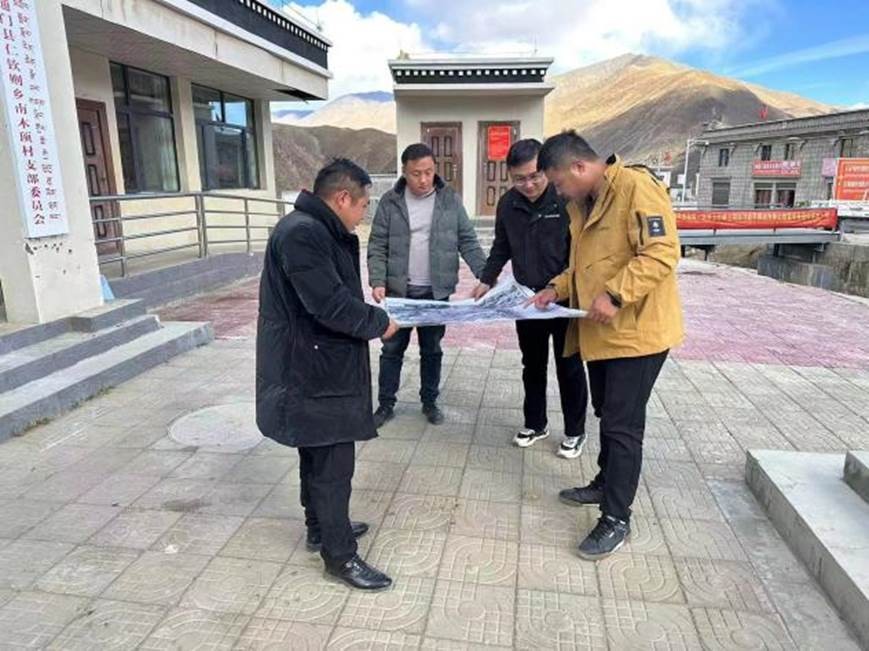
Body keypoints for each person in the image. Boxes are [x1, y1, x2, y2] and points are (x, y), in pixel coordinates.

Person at [528, 131, 684, 560]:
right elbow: (584, 267)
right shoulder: (584, 203)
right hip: (601, 334)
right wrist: (555, 288)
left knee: (623, 426)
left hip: (637, 334)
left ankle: (616, 518)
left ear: (579, 167)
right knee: (607, 415)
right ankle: (604, 483)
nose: (558, 193)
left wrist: (615, 294)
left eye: (559, 183)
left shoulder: (637, 188)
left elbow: (661, 253)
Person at [256, 159, 400, 590]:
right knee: (333, 465)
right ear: (342, 198)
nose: (363, 215)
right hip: (313, 370)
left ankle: (320, 527)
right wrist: (379, 323)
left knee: (317, 453)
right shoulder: (304, 234)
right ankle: (340, 557)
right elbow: (329, 304)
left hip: (315, 363)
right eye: (363, 205)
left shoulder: (312, 228)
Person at [472, 139, 589, 458]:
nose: (528, 184)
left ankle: (575, 430)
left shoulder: (566, 199)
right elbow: (501, 246)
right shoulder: (508, 204)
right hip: (527, 301)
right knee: (532, 364)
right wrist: (486, 278)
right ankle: (535, 424)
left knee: (569, 366)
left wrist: (559, 287)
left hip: (563, 298)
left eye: (535, 176)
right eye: (519, 179)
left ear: (546, 171)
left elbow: (582, 251)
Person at [368, 143, 486, 428]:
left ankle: (430, 402)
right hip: (400, 293)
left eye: (429, 172)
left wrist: (486, 274)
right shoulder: (390, 201)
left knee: (431, 350)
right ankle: (385, 404)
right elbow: (377, 244)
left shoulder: (449, 200)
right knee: (391, 349)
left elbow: (467, 240)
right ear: (404, 172)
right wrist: (378, 280)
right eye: (416, 173)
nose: (423, 179)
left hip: (436, 293)